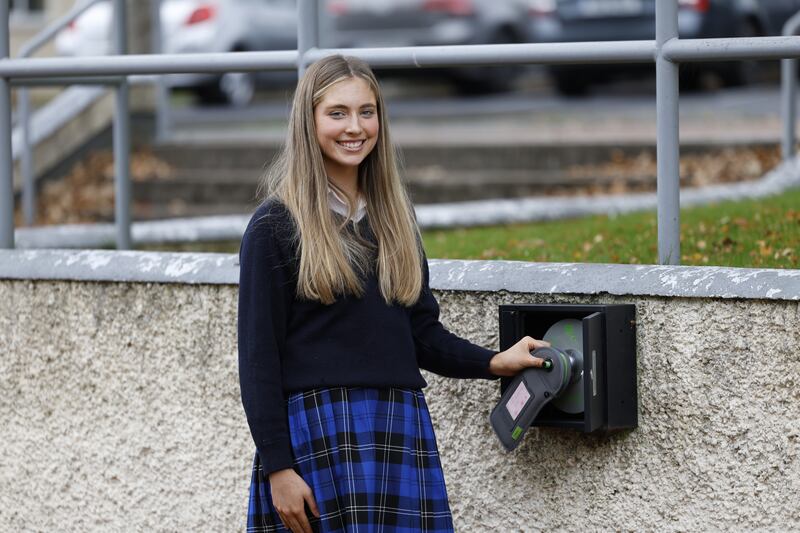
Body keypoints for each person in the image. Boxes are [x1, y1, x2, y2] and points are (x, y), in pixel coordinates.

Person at [238, 54, 550, 533]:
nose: (354, 127)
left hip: (397, 424)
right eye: (337, 113)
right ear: (308, 121)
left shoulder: (395, 222)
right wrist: (279, 467)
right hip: (317, 436)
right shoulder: (274, 227)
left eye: (367, 111)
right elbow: (258, 359)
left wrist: (493, 362)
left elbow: (421, 333)